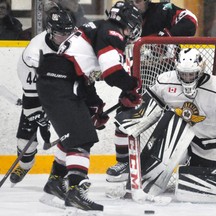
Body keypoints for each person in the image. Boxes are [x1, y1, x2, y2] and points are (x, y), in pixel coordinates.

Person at [115, 48, 216, 201]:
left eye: (192, 74)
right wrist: (130, 115)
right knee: (172, 118)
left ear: (201, 70)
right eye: (183, 74)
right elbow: (146, 107)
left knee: (199, 182)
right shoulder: (165, 81)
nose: (187, 77)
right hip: (178, 139)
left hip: (211, 144)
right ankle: (147, 181)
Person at [36, 1, 142, 213]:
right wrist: (132, 87)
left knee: (73, 134)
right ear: (129, 23)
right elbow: (112, 73)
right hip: (60, 82)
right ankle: (75, 191)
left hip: (59, 80)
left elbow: (84, 74)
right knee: (82, 137)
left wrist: (95, 105)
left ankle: (55, 182)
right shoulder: (113, 32)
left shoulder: (99, 28)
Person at [106, 0, 198, 182]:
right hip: (141, 77)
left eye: (138, 0)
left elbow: (191, 20)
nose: (135, 3)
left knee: (190, 115)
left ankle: (194, 159)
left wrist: (165, 36)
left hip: (172, 76)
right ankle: (124, 162)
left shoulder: (164, 10)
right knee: (125, 115)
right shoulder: (122, 15)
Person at [9, 8, 75, 185]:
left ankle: (68, 171)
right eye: (61, 33)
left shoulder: (75, 40)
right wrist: (40, 116)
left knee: (73, 133)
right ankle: (25, 164)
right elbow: (31, 100)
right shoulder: (34, 53)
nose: (66, 37)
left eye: (69, 32)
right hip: (36, 89)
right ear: (50, 31)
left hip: (62, 89)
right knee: (25, 142)